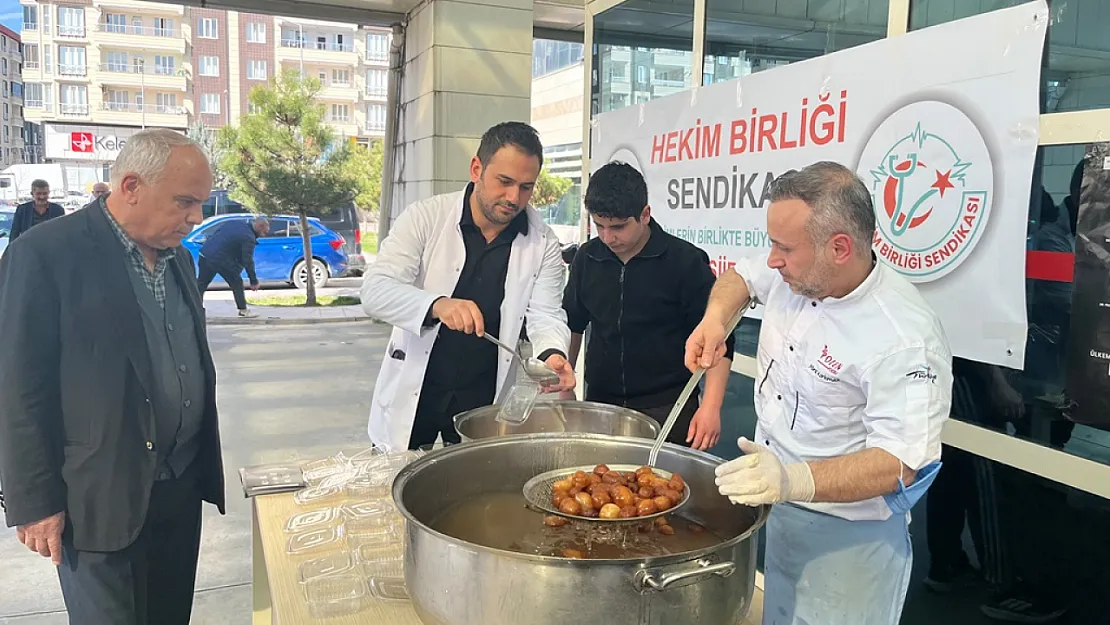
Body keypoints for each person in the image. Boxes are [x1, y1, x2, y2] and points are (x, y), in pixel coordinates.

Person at [685, 161, 953, 625]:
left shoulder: (904, 336)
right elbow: (740, 280)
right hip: (784, 512)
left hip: (851, 537)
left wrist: (790, 481)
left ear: (840, 248)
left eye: (784, 248)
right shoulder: (797, 276)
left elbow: (901, 463)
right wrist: (714, 320)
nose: (772, 260)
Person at [0, 128, 225, 625]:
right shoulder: (46, 254)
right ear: (130, 186)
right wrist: (33, 501)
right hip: (96, 496)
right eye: (185, 202)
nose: (195, 218)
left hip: (179, 487)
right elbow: (17, 387)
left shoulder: (180, 260)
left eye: (201, 204)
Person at [361, 121, 575, 450]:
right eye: (504, 182)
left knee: (469, 491)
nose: (513, 197)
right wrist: (437, 305)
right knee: (393, 485)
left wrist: (553, 353)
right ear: (477, 168)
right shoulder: (425, 218)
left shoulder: (541, 240)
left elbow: (546, 313)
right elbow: (375, 291)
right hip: (417, 388)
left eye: (526, 187)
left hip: (482, 396)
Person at [562, 162, 735, 449]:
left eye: (618, 227)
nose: (608, 237)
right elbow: (573, 324)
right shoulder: (588, 258)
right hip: (601, 404)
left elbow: (722, 338)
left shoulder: (686, 262)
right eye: (599, 226)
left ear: (645, 215)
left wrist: (711, 408)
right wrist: (565, 390)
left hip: (669, 407)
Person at [196, 216, 269, 318]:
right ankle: (243, 310)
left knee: (201, 284)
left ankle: (194, 309)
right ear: (260, 226)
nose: (263, 235)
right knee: (237, 282)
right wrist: (253, 281)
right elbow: (247, 260)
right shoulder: (248, 238)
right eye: (264, 233)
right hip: (219, 259)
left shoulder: (235, 223)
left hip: (205, 253)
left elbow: (220, 235)